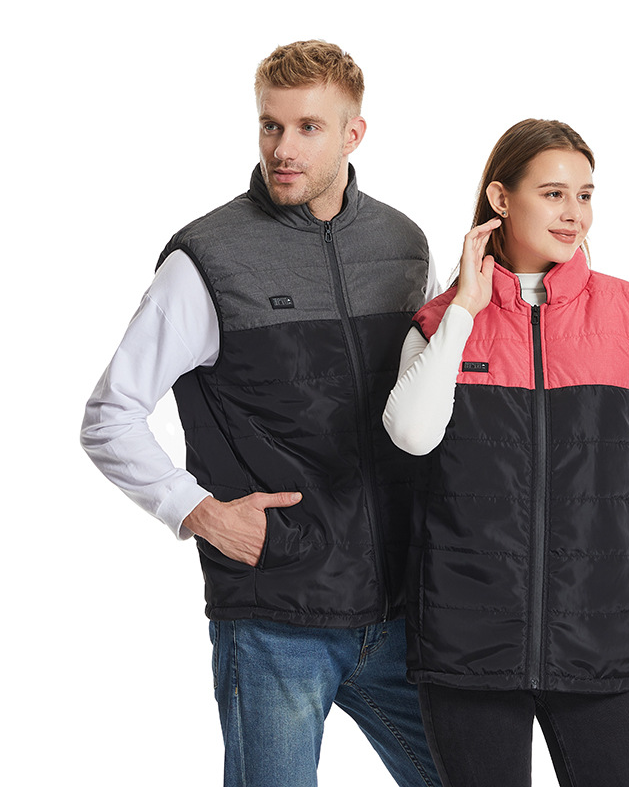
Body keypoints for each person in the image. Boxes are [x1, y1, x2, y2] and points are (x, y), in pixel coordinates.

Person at [81, 40, 442, 787]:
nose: (283, 149)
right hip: (277, 613)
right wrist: (200, 513)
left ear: (353, 134)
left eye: (308, 127)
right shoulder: (208, 260)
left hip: (403, 610)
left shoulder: (403, 246)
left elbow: (431, 399)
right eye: (270, 125)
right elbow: (111, 413)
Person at [383, 119, 629, 787]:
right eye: (553, 194)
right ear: (501, 198)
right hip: (467, 647)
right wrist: (465, 308)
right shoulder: (439, 325)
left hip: (600, 644)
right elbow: (411, 434)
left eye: (585, 195)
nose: (574, 213)